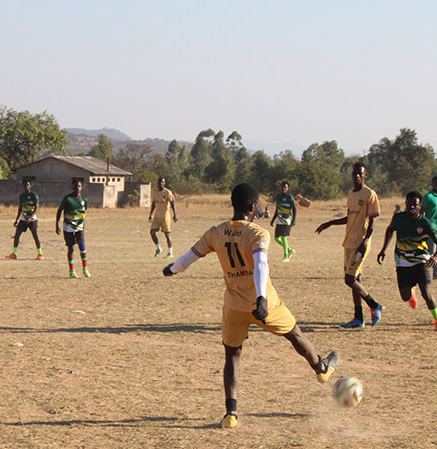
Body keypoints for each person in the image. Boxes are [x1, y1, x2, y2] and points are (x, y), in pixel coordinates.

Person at [162, 183, 339, 429]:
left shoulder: (216, 232)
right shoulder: (257, 233)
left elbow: (189, 257)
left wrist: (172, 269)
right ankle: (321, 368)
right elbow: (260, 265)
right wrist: (261, 299)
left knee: (232, 355)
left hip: (234, 306)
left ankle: (231, 415)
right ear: (252, 207)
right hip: (263, 303)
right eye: (257, 206)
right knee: (294, 334)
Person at [315, 162, 383, 329]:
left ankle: (374, 305)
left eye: (361, 173)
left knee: (349, 279)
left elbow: (373, 220)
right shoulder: (351, 194)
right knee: (356, 280)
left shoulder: (370, 194)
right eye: (355, 173)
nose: (357, 176)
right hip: (349, 242)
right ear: (352, 175)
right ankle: (358, 318)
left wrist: (366, 240)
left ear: (365, 175)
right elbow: (349, 218)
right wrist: (329, 223)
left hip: (361, 242)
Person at [377, 191, 437, 331]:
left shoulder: (425, 223)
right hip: (402, 261)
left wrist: (435, 256)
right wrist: (383, 249)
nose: (411, 207)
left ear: (420, 206)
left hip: (422, 261)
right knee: (405, 297)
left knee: (426, 294)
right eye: (408, 204)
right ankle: (411, 290)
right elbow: (390, 230)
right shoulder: (398, 218)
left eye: (414, 205)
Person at [56, 179, 90, 278]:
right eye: (75, 186)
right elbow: (59, 211)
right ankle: (72, 270)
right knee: (71, 249)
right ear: (72, 187)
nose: (77, 188)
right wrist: (57, 225)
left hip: (79, 228)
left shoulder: (84, 200)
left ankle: (85, 269)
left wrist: (83, 226)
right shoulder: (67, 199)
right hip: (68, 228)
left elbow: (83, 213)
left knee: (82, 248)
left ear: (81, 187)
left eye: (79, 186)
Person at [6, 179, 43, 260]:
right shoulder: (22, 196)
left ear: (30, 186)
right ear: (23, 186)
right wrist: (17, 220)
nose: (26, 186)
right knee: (17, 235)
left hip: (32, 219)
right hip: (23, 219)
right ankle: (14, 254)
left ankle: (40, 254)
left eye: (28, 184)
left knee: (35, 236)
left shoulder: (34, 195)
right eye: (25, 185)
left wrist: (30, 217)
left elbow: (36, 208)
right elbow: (20, 208)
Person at [421, 176, 437, 280]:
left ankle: (436, 273)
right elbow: (422, 211)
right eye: (436, 183)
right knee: (430, 250)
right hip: (430, 226)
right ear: (432, 184)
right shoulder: (428, 197)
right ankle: (423, 271)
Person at [148, 177, 178, 258]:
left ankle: (170, 252)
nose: (161, 183)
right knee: (152, 232)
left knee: (167, 235)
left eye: (162, 182)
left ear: (164, 183)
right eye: (160, 182)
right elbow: (153, 204)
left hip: (165, 217)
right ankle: (158, 248)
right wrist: (150, 215)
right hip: (157, 216)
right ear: (157, 183)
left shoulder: (168, 192)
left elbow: (172, 203)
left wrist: (175, 214)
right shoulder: (155, 192)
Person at [269, 181, 297, 262]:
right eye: (282, 187)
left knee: (284, 237)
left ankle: (286, 256)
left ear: (288, 189)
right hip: (280, 219)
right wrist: (273, 220)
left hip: (287, 220)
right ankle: (289, 249)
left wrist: (294, 220)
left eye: (285, 187)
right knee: (276, 238)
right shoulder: (278, 197)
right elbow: (277, 210)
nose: (283, 189)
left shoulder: (289, 197)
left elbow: (294, 209)